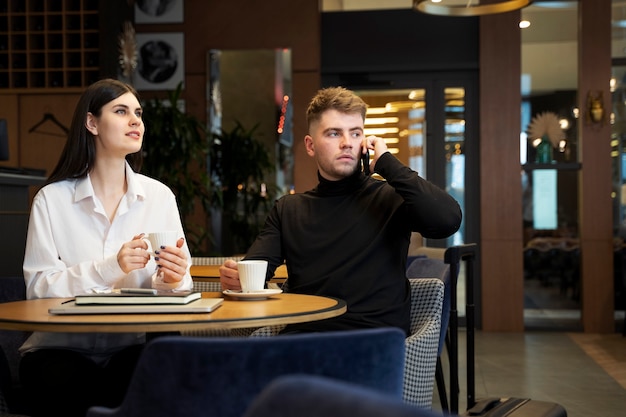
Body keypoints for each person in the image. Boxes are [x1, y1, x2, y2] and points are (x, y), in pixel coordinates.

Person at [220, 86, 461, 335]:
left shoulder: (390, 198)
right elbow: (256, 273)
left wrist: (388, 164)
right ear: (310, 145)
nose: (347, 143)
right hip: (305, 343)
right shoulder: (288, 209)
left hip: (372, 346)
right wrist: (237, 279)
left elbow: (448, 220)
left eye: (355, 133)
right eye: (334, 134)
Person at [19, 78, 193, 417]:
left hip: (131, 349)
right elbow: (37, 290)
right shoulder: (51, 200)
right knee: (66, 382)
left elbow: (178, 288)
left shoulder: (159, 197)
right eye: (121, 111)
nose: (136, 121)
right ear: (91, 123)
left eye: (138, 113)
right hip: (58, 352)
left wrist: (174, 279)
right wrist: (110, 267)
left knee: (156, 370)